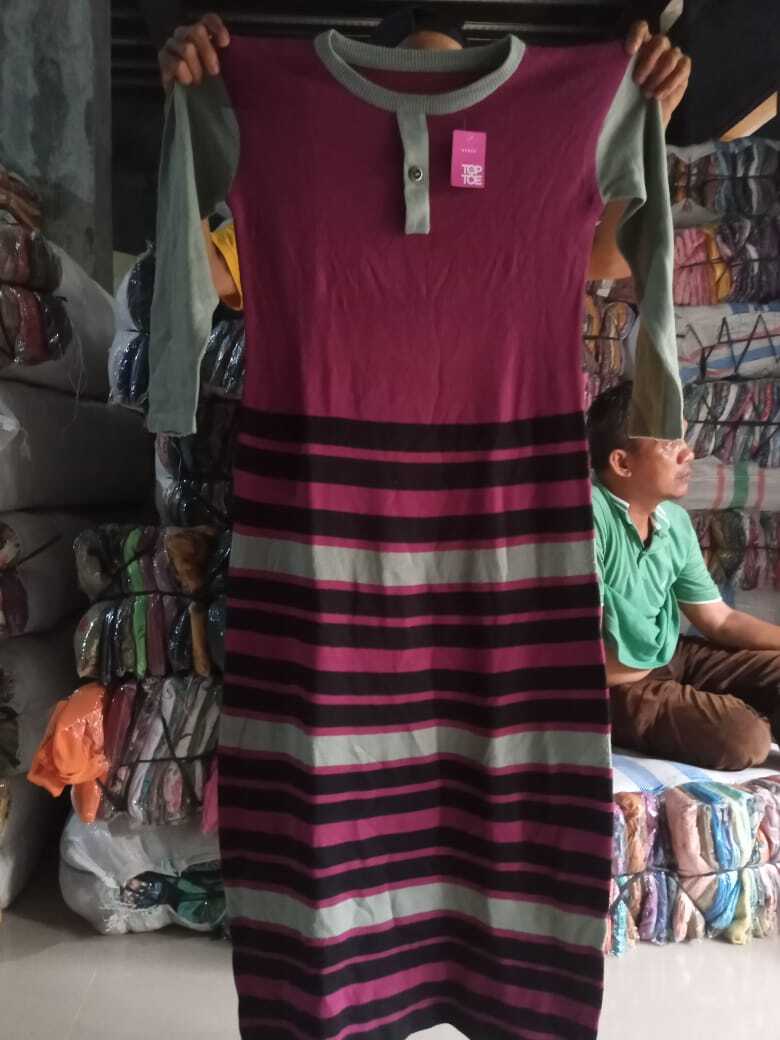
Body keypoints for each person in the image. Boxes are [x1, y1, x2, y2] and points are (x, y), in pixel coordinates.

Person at [157, 8, 693, 302]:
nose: (431, 109)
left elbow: (608, 257)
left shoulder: (513, 181)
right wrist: (185, 126)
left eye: (450, 90)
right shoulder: (319, 190)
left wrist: (648, 122)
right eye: (409, 86)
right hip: (350, 426)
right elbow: (209, 277)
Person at [587, 381, 780, 770]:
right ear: (622, 463)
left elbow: (719, 620)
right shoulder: (588, 519)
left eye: (684, 438)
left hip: (667, 654)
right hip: (614, 680)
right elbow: (578, 656)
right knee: (743, 737)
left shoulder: (673, 521)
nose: (688, 452)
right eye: (668, 443)